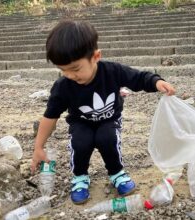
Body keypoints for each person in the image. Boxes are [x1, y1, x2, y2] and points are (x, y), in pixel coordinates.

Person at [30, 20, 175, 204]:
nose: (70, 75)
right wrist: (38, 147)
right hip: (80, 122)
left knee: (107, 139)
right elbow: (50, 116)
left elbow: (138, 78)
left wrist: (156, 82)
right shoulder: (63, 86)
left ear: (96, 56)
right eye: (62, 70)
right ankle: (80, 177)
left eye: (75, 69)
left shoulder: (112, 71)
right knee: (81, 143)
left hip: (109, 118)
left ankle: (116, 172)